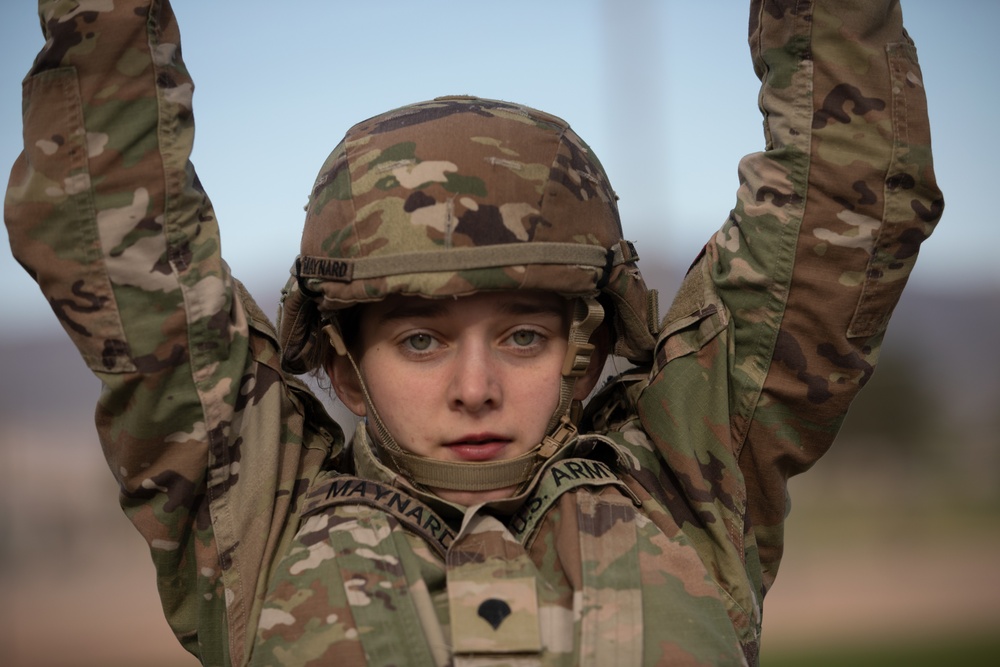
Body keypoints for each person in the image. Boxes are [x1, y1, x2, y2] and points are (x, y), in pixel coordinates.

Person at [4, 0, 942, 665]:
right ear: (347, 366)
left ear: (583, 352)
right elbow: (115, 226)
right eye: (420, 339)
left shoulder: (692, 477)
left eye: (524, 336)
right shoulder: (253, 521)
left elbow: (845, 195)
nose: (476, 386)